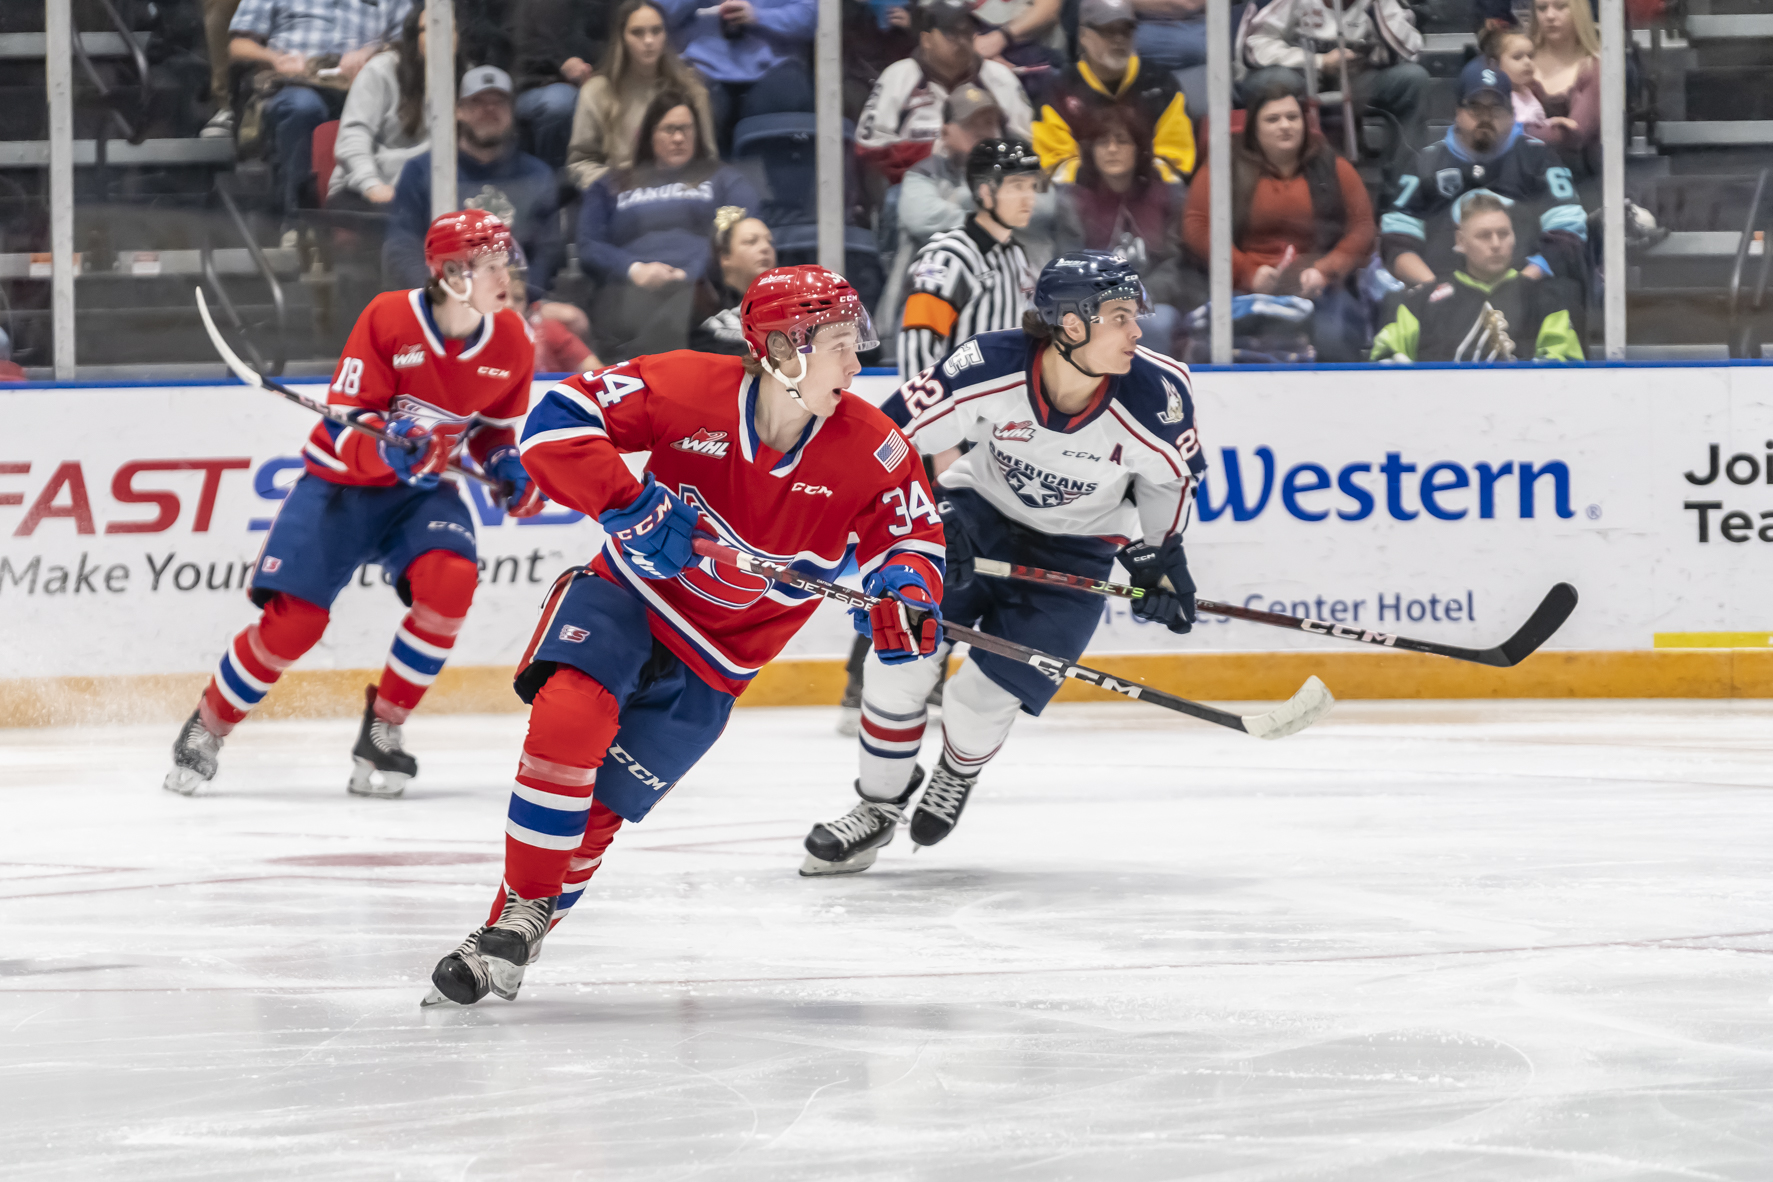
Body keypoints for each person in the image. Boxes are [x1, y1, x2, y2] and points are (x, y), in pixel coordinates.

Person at [421, 266, 948, 1007]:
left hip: (721, 663)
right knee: (570, 713)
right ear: (781, 350)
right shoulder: (683, 387)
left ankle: (504, 937)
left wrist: (907, 596)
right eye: (837, 345)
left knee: (599, 808)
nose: (856, 366)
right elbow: (557, 422)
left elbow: (912, 540)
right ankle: (516, 915)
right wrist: (628, 506)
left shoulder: (872, 448)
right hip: (627, 599)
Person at [801, 251, 1207, 875]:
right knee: (898, 661)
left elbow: (1168, 482)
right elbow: (885, 441)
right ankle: (877, 807)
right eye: (1120, 316)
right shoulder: (988, 365)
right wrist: (925, 512)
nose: (1137, 331)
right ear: (1071, 325)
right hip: (973, 514)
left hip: (1080, 547)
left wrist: (1157, 556)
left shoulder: (1158, 394)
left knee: (978, 700)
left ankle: (955, 774)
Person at [164, 211, 543, 799]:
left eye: (505, 263)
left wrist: (506, 466)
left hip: (419, 495)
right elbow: (346, 426)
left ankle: (383, 732)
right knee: (297, 624)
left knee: (451, 583)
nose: (505, 277)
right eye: (490, 265)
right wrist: (393, 448)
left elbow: (492, 429)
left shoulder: (514, 340)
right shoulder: (390, 317)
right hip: (342, 488)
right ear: (449, 273)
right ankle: (208, 726)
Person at [1181, 79, 1375, 362]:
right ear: (1254, 128)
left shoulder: (1333, 165)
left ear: (1305, 124)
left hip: (1318, 290)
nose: (1285, 125)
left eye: (1292, 117)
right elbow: (1196, 225)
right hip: (1240, 289)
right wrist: (1246, 270)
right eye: (1272, 119)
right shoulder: (1225, 166)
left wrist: (1326, 269)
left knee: (1335, 338)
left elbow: (1363, 227)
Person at [578, 90, 762, 356]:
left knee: (688, 302)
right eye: (669, 130)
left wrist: (693, 274)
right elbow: (589, 245)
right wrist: (634, 269)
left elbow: (743, 233)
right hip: (629, 293)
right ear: (648, 134)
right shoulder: (611, 184)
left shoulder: (722, 180)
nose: (679, 138)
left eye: (686, 129)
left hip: (705, 295)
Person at [1380, 58, 1588, 288]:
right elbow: (1396, 240)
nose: (1485, 116)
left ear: (1511, 113)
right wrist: (1436, 289)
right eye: (1475, 107)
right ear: (1458, 111)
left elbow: (1568, 233)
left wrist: (1522, 284)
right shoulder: (1426, 162)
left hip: (1526, 293)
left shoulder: (1538, 158)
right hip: (1442, 294)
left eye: (1495, 107)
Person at [228, 0, 413, 223]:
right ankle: (296, 220)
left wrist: (372, 54)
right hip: (295, 81)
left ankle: (384, 216)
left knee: (392, 112)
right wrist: (275, 59)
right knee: (302, 109)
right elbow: (238, 46)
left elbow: (410, 42)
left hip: (365, 83)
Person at [385, 66, 565, 293]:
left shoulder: (538, 176)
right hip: (442, 303)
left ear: (512, 112)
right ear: (458, 111)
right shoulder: (422, 172)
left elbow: (547, 252)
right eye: (477, 102)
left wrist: (523, 298)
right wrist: (439, 296)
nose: (489, 110)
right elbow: (402, 246)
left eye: (499, 102)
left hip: (514, 304)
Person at [1370, 191, 1583, 362]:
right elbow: (1384, 361)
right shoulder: (1419, 303)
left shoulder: (1547, 301)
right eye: (1484, 235)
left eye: (1503, 234)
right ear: (1461, 241)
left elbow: (1564, 368)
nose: (1496, 244)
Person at [899, 139, 1041, 378]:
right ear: (985, 191)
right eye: (1017, 186)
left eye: (1032, 186)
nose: (1029, 199)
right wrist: (929, 413)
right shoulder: (947, 258)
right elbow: (918, 347)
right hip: (954, 410)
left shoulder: (1018, 257)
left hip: (1002, 410)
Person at [854, 0, 1034, 186]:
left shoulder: (999, 77)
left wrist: (983, 156)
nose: (962, 41)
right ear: (927, 40)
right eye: (951, 34)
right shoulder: (898, 76)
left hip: (988, 183)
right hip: (915, 185)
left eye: (966, 32)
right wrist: (937, 153)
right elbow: (868, 148)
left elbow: (1026, 144)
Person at [1237, 0, 1428, 164]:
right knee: (1275, 81)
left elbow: (1411, 50)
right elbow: (1254, 45)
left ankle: (1403, 191)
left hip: (1355, 80)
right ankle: (1277, 173)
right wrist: (1318, 61)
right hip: (1298, 79)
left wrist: (1378, 8)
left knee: (1412, 79)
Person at [1061, 106, 1187, 350]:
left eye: (1122, 141)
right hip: (1090, 302)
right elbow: (1069, 261)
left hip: (1151, 301)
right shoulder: (1074, 201)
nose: (1111, 150)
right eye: (1102, 142)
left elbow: (1175, 265)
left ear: (1139, 149)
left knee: (1159, 323)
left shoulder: (1168, 196)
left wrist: (1135, 299)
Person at [1029, 0, 1194, 186]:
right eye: (1108, 31)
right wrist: (1106, 181)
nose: (1118, 39)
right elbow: (1053, 164)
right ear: (1084, 36)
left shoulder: (1162, 85)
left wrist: (1132, 182)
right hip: (1080, 198)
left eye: (1126, 30)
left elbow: (1176, 158)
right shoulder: (1058, 91)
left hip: (1149, 195)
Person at [564, 0, 716, 191]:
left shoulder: (692, 90)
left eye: (656, 31)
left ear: (666, 36)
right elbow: (580, 163)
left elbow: (708, 160)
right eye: (638, 32)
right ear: (622, 38)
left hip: (683, 193)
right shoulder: (597, 92)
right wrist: (615, 185)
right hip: (623, 197)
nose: (649, 41)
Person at [652, 0, 816, 155]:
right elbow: (654, 13)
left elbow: (813, 16)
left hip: (775, 69)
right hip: (702, 69)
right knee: (686, 118)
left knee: (779, 117)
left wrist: (759, 16)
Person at [327, 4, 436, 210]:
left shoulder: (465, 77)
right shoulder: (381, 70)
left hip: (430, 195)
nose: (440, 37)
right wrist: (371, 185)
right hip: (367, 190)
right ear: (413, 36)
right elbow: (353, 137)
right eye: (427, 30)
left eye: (449, 29)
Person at [509, 0, 610, 169]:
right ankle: (551, 183)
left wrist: (597, 69)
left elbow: (609, 39)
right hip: (535, 84)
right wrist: (561, 64)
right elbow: (518, 45)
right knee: (560, 104)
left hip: (594, 79)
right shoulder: (536, 6)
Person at [690, 207, 778, 354]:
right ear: (724, 256)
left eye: (770, 242)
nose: (765, 248)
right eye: (751, 242)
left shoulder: (791, 308)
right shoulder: (702, 310)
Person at [1529, 0, 1601, 158]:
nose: (1550, 16)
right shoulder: (1522, 61)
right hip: (1523, 177)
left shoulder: (1594, 68)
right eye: (1541, 8)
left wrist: (1514, 132)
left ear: (1579, 11)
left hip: (1579, 178)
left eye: (1561, 6)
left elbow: (1573, 136)